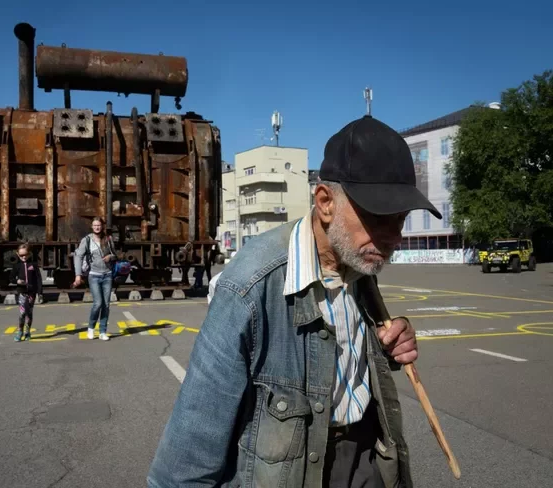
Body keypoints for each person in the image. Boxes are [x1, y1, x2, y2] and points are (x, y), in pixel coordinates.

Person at [148, 115, 442, 488]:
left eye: (400, 219)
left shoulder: (358, 263)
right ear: (325, 203)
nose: (393, 237)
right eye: (378, 217)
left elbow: (338, 364)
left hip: (367, 462)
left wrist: (386, 349)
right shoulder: (249, 288)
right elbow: (180, 471)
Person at [73, 217, 117, 341]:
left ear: (102, 226)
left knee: (106, 305)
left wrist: (110, 256)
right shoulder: (87, 240)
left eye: (99, 225)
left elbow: (116, 254)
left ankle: (103, 331)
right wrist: (78, 275)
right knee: (98, 303)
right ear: (92, 227)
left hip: (107, 275)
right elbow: (78, 256)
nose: (97, 227)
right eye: (95, 225)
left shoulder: (108, 239)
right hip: (94, 275)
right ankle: (91, 328)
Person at [9, 243, 43, 342]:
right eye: (21, 255)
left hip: (31, 293)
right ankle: (20, 331)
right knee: (22, 313)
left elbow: (38, 279)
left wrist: (40, 293)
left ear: (30, 254)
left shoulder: (34, 265)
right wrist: (17, 281)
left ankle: (27, 331)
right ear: (17, 254)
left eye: (26, 255)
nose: (23, 257)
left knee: (29, 313)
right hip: (22, 293)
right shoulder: (16, 266)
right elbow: (11, 278)